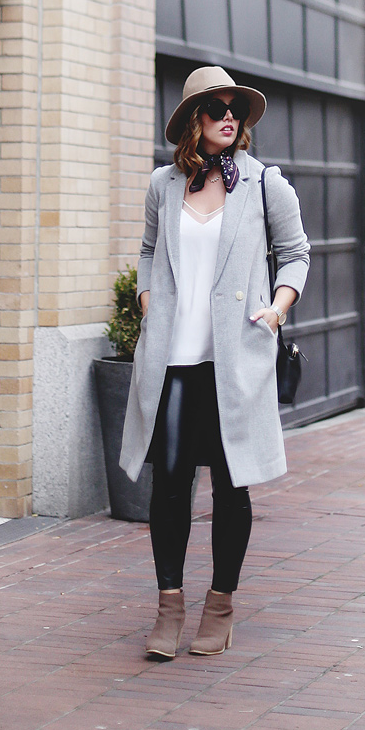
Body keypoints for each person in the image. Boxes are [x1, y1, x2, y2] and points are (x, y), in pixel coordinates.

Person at [120, 65, 310, 659]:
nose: (229, 116)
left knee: (232, 486)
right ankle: (169, 605)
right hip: (173, 359)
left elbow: (296, 254)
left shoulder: (264, 184)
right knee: (169, 485)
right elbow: (150, 251)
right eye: (215, 108)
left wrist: (277, 310)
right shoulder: (164, 185)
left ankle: (221, 605)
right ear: (192, 122)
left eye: (235, 108)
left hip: (235, 357)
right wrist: (150, 303)